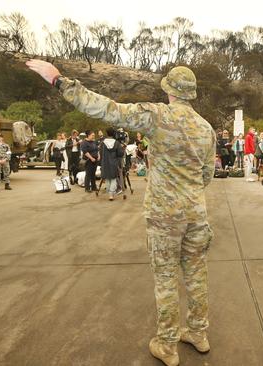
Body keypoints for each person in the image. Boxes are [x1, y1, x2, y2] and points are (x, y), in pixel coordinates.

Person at [27, 60, 217, 366]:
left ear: (168, 89)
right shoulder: (206, 129)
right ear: (191, 94)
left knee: (166, 277)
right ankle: (198, 333)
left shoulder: (157, 116)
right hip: (196, 213)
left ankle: (167, 345)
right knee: (196, 274)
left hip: (165, 215)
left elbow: (105, 108)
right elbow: (207, 174)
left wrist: (59, 81)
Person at [100, 127, 125, 201]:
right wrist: (122, 148)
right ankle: (111, 194)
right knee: (114, 178)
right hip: (114, 162)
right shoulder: (116, 143)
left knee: (107, 178)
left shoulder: (103, 143)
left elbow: (101, 153)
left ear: (107, 134)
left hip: (105, 162)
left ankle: (109, 193)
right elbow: (120, 154)